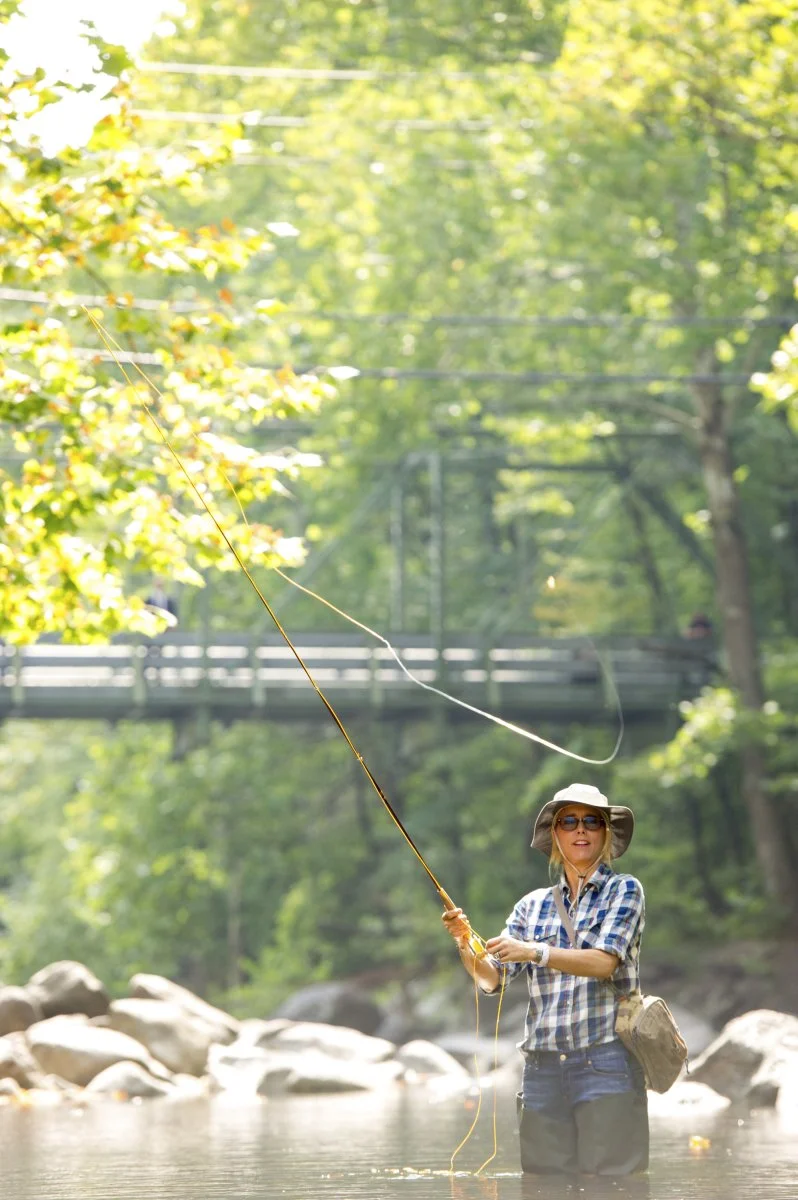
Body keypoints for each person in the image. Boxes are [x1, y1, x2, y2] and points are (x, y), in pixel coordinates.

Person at [442, 782, 648, 1178]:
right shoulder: (531, 905)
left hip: (606, 1061)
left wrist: (535, 951)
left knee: (615, 1186)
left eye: (592, 821)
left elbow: (605, 962)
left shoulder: (625, 891)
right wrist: (464, 941)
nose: (581, 829)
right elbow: (491, 979)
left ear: (606, 832)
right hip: (542, 1071)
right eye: (569, 821)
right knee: (543, 1187)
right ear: (556, 834)